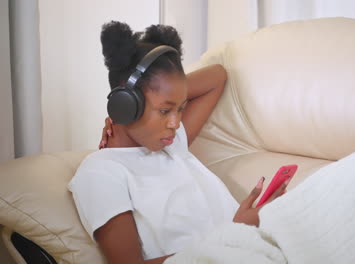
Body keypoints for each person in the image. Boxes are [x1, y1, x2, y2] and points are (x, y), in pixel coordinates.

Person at [68, 21, 289, 264]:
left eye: (181, 108)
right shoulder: (101, 172)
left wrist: (169, 96)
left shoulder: (170, 143)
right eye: (165, 111)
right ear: (126, 106)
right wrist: (234, 234)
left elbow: (217, 76)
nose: (175, 123)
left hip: (254, 248)